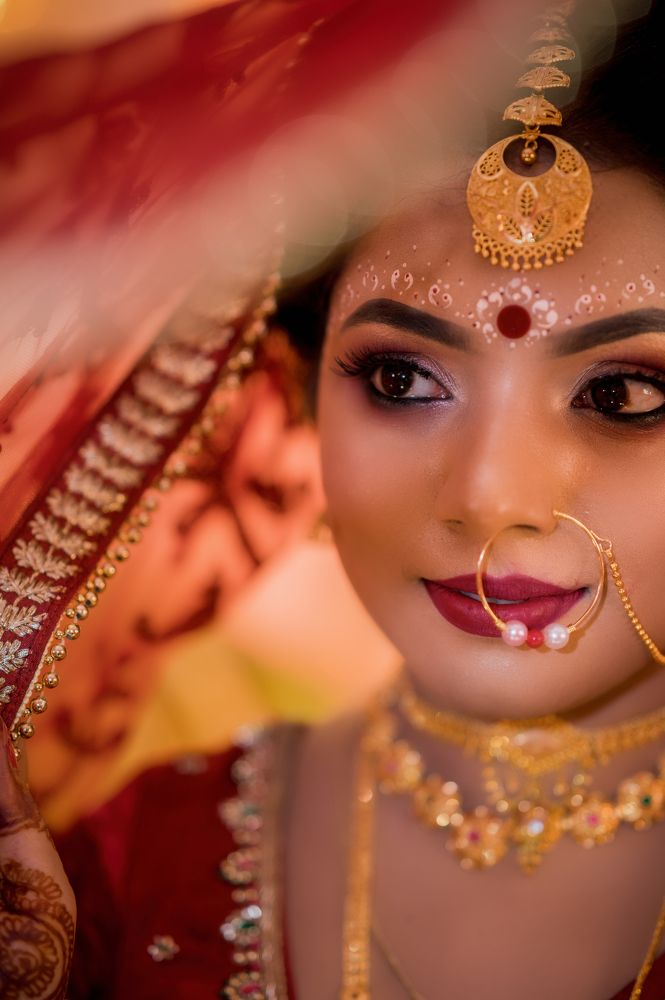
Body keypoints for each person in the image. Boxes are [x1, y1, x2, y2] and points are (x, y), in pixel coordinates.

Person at [1, 1, 665, 997]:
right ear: (304, 395)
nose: (489, 499)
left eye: (619, 396)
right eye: (400, 381)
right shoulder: (118, 872)